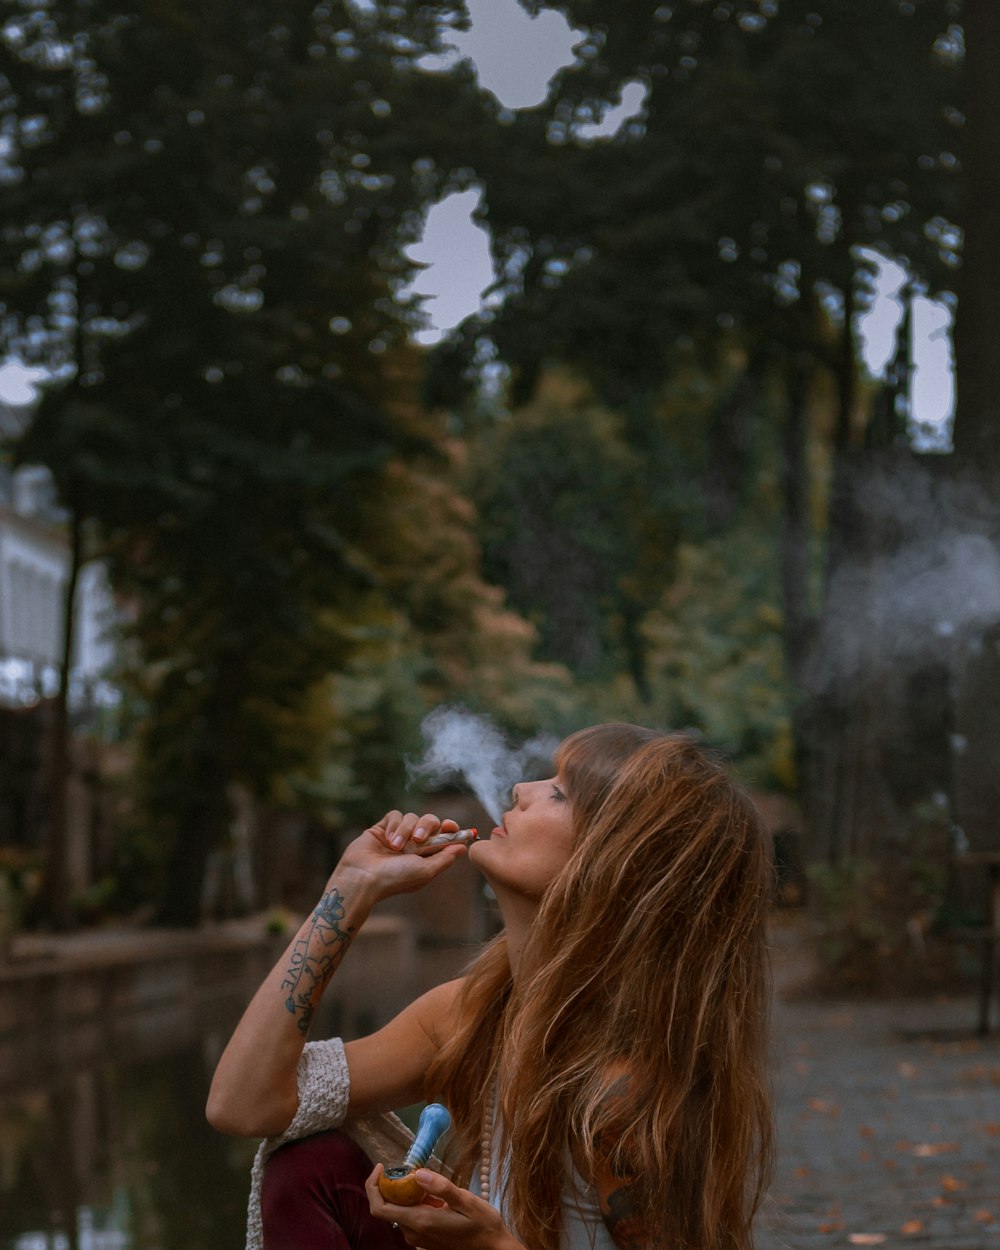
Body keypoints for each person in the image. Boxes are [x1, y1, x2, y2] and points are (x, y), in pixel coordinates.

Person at [207, 723, 774, 1250]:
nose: (522, 788)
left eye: (559, 794)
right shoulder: (470, 1015)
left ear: (622, 867)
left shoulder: (619, 1093)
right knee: (311, 1166)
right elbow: (244, 1104)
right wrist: (351, 889)